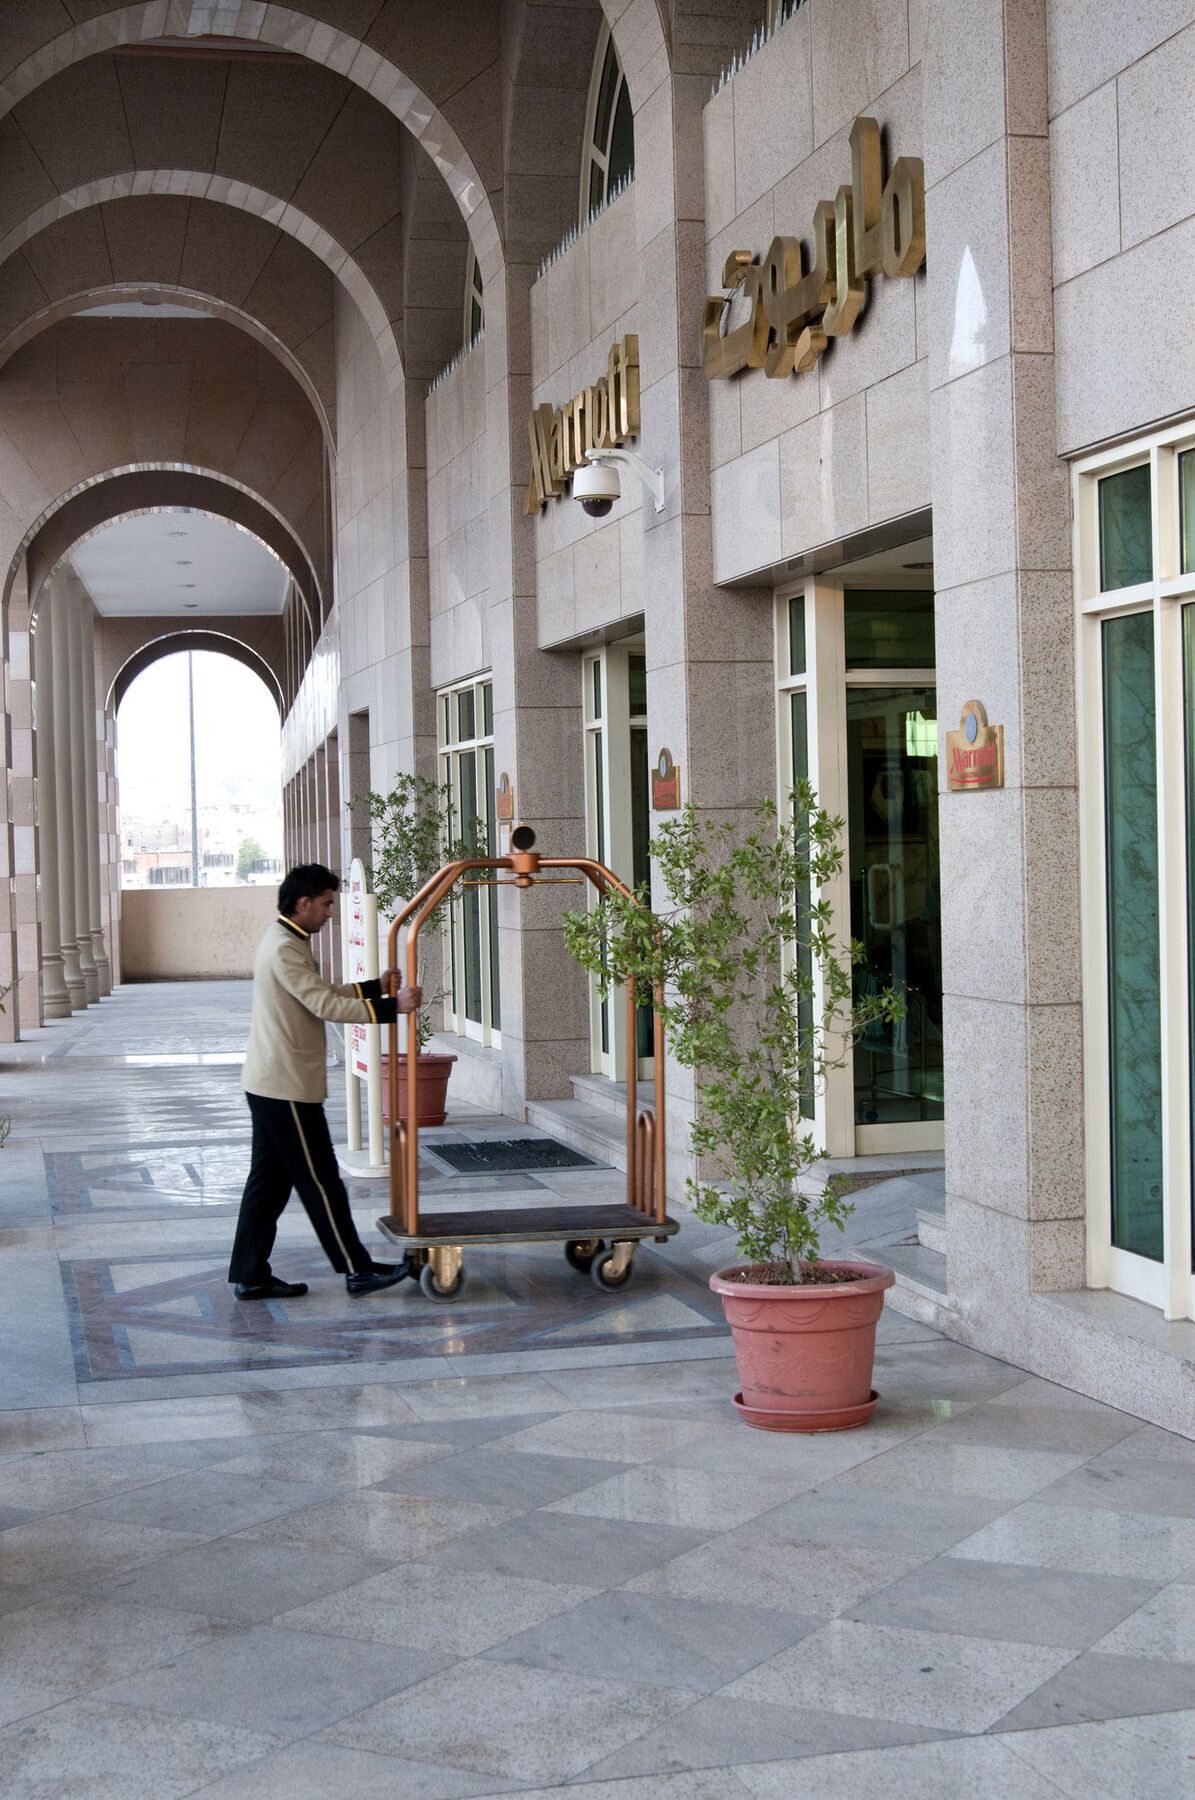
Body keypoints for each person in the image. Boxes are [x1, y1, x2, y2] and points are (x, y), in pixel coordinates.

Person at [228, 862, 420, 1300]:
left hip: (273, 1083)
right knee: (321, 1181)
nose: (330, 913)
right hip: (284, 1086)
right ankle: (357, 1270)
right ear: (303, 903)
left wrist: (373, 988)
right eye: (327, 903)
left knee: (268, 1185)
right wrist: (394, 1008)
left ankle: (250, 1273)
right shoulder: (283, 947)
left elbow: (320, 991)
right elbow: (322, 1005)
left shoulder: (287, 942)